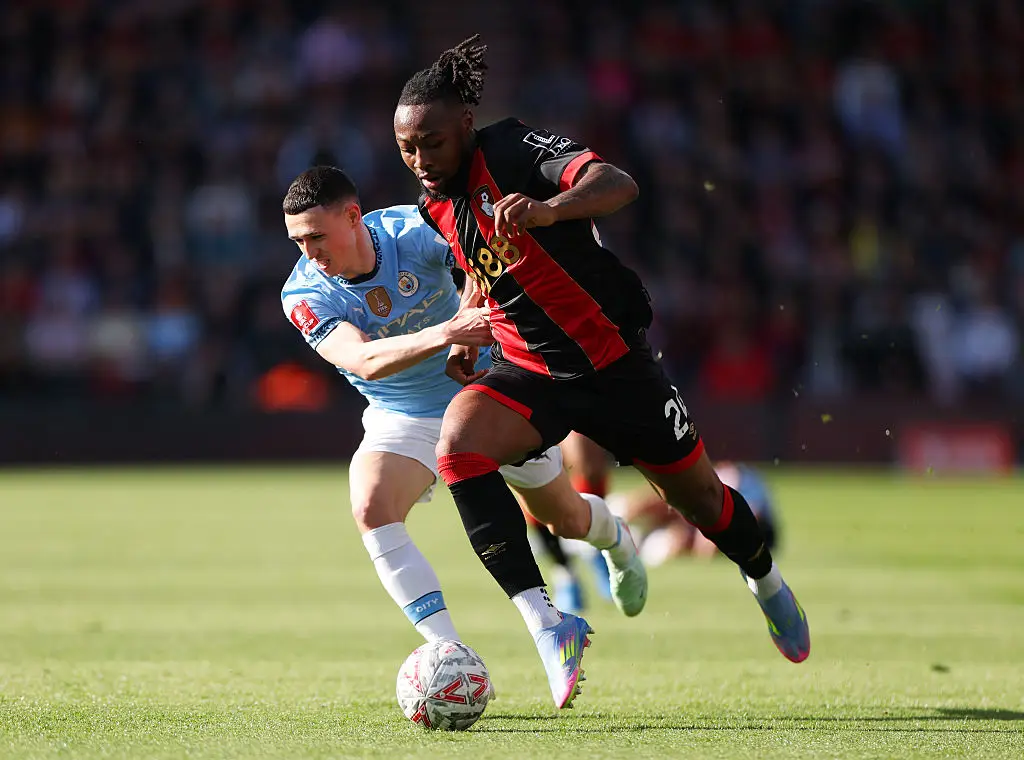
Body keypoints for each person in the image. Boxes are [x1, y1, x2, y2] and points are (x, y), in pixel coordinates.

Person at [393, 35, 810, 670]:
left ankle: (766, 581)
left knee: (699, 501)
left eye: (433, 142)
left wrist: (548, 209)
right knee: (460, 447)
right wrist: (463, 325)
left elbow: (616, 182)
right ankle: (548, 620)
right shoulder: (434, 202)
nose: (420, 159)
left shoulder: (510, 147)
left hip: (613, 363)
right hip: (531, 367)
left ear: (467, 125)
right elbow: (482, 268)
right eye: (406, 148)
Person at [279, 165, 647, 709]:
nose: (308, 251)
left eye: (315, 236)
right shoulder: (304, 292)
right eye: (297, 240)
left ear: (353, 217)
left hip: (488, 394)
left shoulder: (414, 231)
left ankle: (614, 535)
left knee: (563, 517)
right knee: (372, 506)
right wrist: (448, 331)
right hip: (400, 411)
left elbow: (484, 262)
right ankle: (449, 654)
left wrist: (469, 317)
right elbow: (361, 360)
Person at [611, 462, 780, 567]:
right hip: (710, 503)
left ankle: (631, 539)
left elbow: (705, 548)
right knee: (669, 499)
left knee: (679, 534)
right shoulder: (743, 487)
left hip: (706, 517)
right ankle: (616, 515)